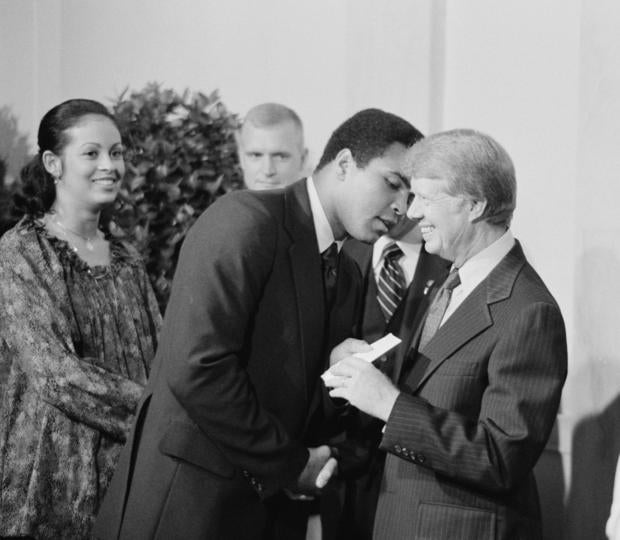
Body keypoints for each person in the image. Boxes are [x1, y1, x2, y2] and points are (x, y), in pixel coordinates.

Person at [94, 108, 422, 540]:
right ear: (343, 164)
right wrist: (292, 464)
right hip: (189, 507)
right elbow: (198, 369)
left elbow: (299, 395)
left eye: (411, 196)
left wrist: (339, 373)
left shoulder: (349, 270)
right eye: (393, 183)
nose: (401, 207)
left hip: (265, 513)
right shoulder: (245, 221)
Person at [327, 129, 568, 539]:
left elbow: (501, 457)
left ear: (474, 205)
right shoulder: (453, 278)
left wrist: (389, 403)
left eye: (425, 198)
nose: (411, 212)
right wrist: (361, 373)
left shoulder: (530, 311)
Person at [0, 99, 161, 539]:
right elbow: (56, 375)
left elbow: (158, 359)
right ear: (53, 163)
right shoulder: (20, 253)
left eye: (117, 152)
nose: (110, 165)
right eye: (92, 153)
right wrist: (157, 412)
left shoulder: (128, 258)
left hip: (130, 478)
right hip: (51, 486)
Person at [237, 102, 308, 190]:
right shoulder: (223, 203)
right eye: (256, 155)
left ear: (303, 160)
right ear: (241, 158)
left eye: (280, 157)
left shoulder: (322, 203)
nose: (268, 171)